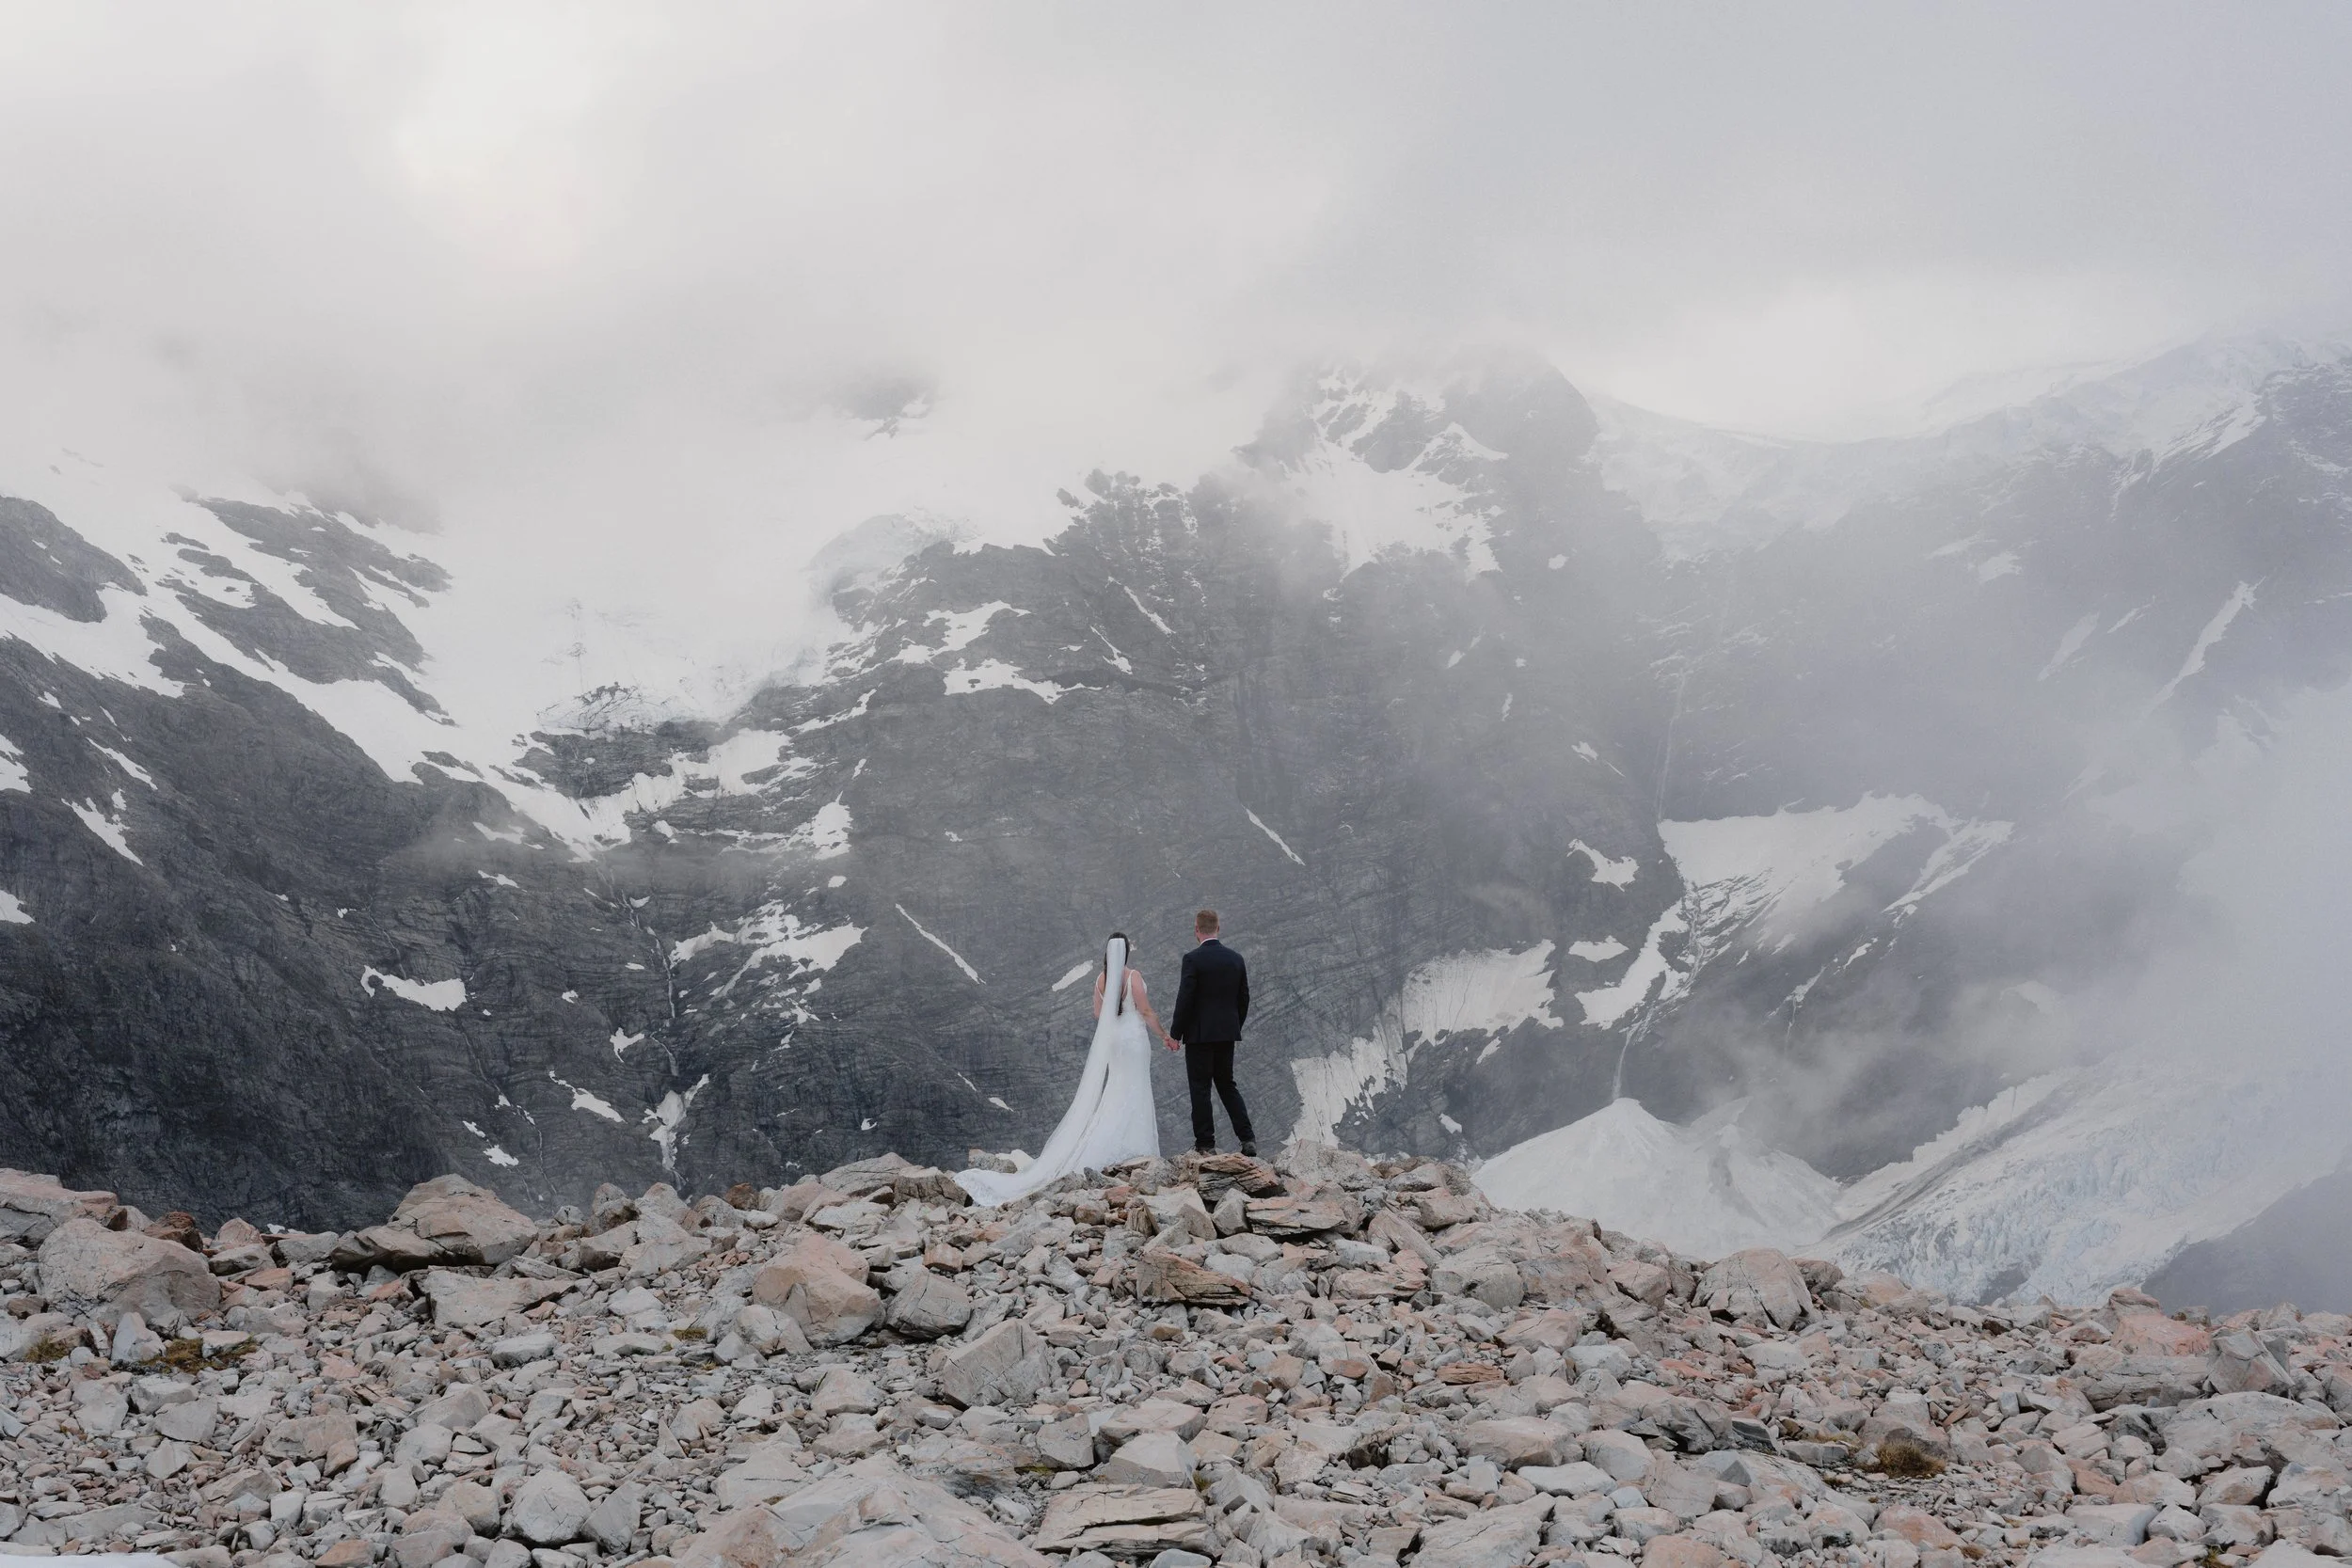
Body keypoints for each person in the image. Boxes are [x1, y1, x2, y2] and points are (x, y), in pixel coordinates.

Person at [954, 932, 1164, 1205]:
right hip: (1134, 1040)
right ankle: (1137, 1150)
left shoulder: (1101, 980)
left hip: (1115, 1043)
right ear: (1125, 952)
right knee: (1136, 1088)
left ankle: (1107, 1147)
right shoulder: (1133, 976)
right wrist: (1164, 1034)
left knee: (1116, 1089)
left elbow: (1099, 1015)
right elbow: (1146, 1011)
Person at [1166, 908, 1256, 1156]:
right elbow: (1244, 998)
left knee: (1200, 1087)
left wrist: (1176, 1033)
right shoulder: (1236, 959)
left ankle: (1206, 1144)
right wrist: (1234, 1026)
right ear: (1218, 928)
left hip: (1199, 1036)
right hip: (1227, 1034)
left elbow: (1185, 998)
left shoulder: (1192, 959)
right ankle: (1247, 1139)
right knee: (1227, 1085)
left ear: (1197, 930)